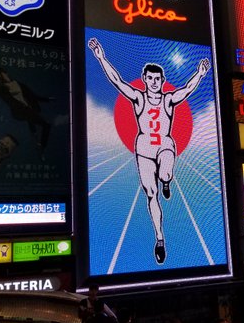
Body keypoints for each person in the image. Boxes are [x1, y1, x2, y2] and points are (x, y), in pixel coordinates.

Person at [88, 37, 210, 264]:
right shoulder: (138, 98)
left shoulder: (168, 99)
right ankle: (160, 238)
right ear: (145, 79)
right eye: (150, 78)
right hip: (144, 148)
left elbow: (187, 90)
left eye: (157, 79)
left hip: (164, 145)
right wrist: (101, 57)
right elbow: (117, 81)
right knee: (151, 195)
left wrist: (200, 73)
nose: (154, 82)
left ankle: (166, 180)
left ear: (163, 81)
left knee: (165, 172)